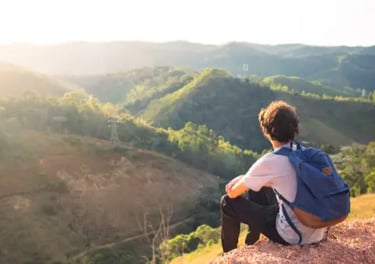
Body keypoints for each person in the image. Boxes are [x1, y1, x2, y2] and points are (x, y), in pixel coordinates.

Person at [220, 100, 327, 253]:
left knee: (227, 203)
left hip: (291, 235)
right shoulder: (306, 153)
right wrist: (249, 178)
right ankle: (252, 241)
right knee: (257, 186)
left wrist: (242, 180)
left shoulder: (270, 161)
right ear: (294, 127)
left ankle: (229, 255)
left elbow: (233, 193)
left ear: (268, 132)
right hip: (316, 231)